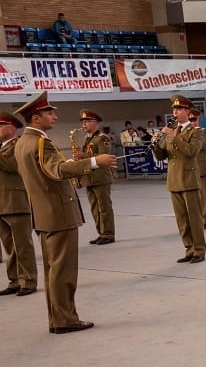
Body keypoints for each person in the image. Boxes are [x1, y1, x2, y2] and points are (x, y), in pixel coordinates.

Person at [13, 92, 118, 333]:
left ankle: (58, 317)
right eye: (50, 113)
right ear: (36, 117)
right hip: (58, 213)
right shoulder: (39, 142)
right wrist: (94, 162)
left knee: (53, 270)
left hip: (44, 213)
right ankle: (65, 319)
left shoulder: (22, 142)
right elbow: (57, 170)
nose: (55, 116)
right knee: (63, 271)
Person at [151, 94, 206, 264]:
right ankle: (188, 248)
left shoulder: (195, 132)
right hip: (174, 180)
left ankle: (199, 249)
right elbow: (162, 156)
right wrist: (155, 144)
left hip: (188, 179)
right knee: (181, 219)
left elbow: (191, 151)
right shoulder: (171, 131)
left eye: (178, 109)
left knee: (194, 218)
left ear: (187, 111)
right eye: (173, 109)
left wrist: (172, 136)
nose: (174, 112)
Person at [0, 111, 38, 297]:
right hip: (2, 202)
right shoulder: (2, 147)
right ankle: (15, 279)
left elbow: (14, 167)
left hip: (16, 201)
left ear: (12, 127)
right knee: (9, 246)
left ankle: (28, 280)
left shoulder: (18, 145)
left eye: (1, 126)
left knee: (22, 245)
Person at [76, 110, 116, 245]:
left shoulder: (102, 138)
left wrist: (83, 156)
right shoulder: (87, 138)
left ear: (96, 123)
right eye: (83, 122)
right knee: (94, 207)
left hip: (101, 177)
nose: (84, 124)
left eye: (87, 121)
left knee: (104, 207)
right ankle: (101, 232)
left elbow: (104, 157)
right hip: (89, 177)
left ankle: (108, 234)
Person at [188, 108, 206, 229]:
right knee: (193, 197)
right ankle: (196, 219)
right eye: (190, 120)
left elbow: (204, 145)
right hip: (191, 169)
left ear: (199, 119)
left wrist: (195, 134)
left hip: (203, 167)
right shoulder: (186, 133)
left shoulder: (204, 132)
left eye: (195, 119)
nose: (193, 122)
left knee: (204, 196)